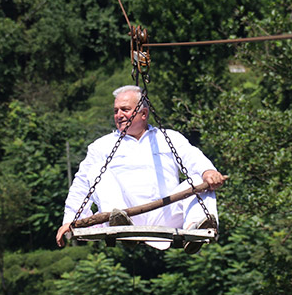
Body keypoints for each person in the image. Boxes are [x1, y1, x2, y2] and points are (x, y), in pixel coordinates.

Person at [55, 85, 227, 252]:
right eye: (116, 111)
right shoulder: (101, 146)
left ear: (143, 113)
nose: (119, 115)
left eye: (125, 109)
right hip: (122, 215)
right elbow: (81, 186)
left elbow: (192, 158)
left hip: (165, 214)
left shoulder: (169, 138)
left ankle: (196, 228)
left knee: (199, 179)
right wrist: (71, 220)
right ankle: (119, 222)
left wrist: (209, 172)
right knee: (95, 170)